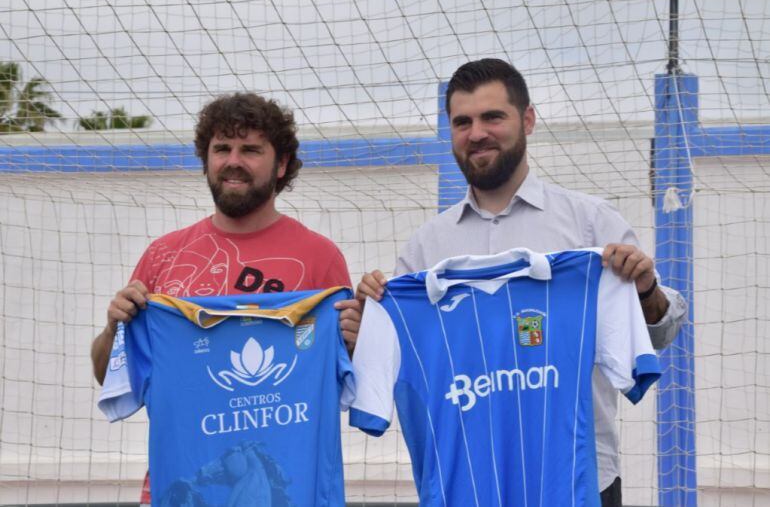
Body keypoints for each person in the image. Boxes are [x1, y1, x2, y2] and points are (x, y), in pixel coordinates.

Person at [347, 58, 688, 507]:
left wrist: (644, 289)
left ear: (527, 120)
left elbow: (660, 335)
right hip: (469, 482)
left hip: (578, 481)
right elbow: (407, 366)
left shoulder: (590, 226)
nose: (477, 133)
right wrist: (365, 331)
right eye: (462, 122)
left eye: (493, 117)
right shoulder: (425, 249)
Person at [91, 92, 359, 503]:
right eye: (222, 148)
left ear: (281, 164)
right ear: (206, 159)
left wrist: (356, 340)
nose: (233, 160)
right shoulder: (164, 255)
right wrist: (114, 328)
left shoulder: (320, 259)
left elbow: (344, 378)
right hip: (183, 486)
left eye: (250, 149)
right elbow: (112, 375)